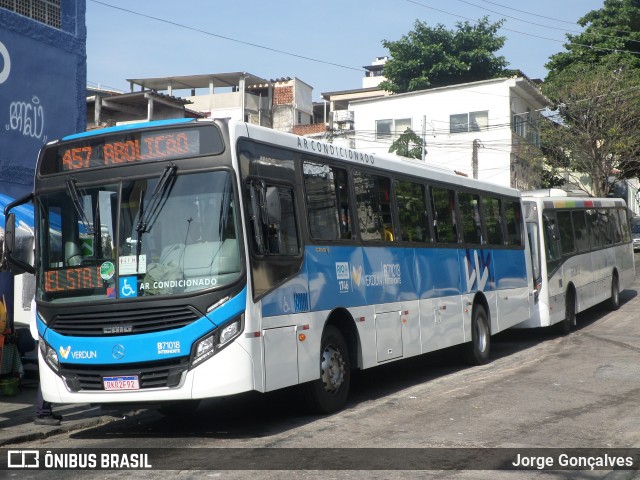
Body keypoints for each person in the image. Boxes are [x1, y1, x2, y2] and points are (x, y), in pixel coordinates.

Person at [31, 297, 62, 426]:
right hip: (43, 335)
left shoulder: (38, 296)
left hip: (42, 334)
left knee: (49, 370)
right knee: (48, 371)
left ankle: (45, 411)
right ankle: (42, 412)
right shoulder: (41, 297)